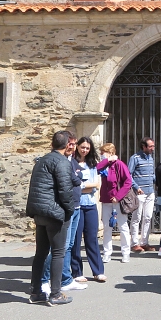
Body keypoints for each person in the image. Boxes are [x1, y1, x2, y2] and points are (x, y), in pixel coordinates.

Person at [26, 131, 75, 306]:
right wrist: (69, 210)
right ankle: (55, 293)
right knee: (58, 252)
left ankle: (36, 291)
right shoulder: (61, 161)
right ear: (67, 144)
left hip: (39, 211)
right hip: (54, 213)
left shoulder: (42, 160)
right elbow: (65, 190)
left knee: (40, 253)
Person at [40, 132, 86, 294]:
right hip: (64, 209)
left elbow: (77, 181)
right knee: (59, 248)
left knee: (69, 246)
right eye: (71, 144)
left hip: (76, 207)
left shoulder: (71, 162)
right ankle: (44, 280)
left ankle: (65, 279)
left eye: (74, 144)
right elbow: (63, 187)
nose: (72, 147)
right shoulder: (56, 161)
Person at [71, 137, 107, 283]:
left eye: (87, 148)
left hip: (91, 205)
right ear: (77, 147)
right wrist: (87, 186)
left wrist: (86, 186)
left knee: (92, 238)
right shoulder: (71, 164)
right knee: (76, 239)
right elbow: (76, 185)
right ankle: (77, 272)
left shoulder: (93, 165)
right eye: (82, 147)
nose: (84, 150)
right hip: (77, 205)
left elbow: (97, 185)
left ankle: (98, 271)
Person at [98, 143, 133, 263]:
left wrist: (118, 196)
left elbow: (128, 181)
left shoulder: (119, 165)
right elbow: (96, 168)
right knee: (107, 227)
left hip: (117, 200)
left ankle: (126, 252)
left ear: (111, 153)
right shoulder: (105, 165)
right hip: (106, 200)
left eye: (104, 153)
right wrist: (107, 160)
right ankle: (107, 253)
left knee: (123, 227)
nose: (101, 155)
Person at [128, 137, 157, 253]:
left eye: (153, 146)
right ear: (143, 146)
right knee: (137, 217)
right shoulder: (135, 158)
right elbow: (129, 175)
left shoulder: (151, 158)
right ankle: (134, 243)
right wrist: (136, 187)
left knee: (148, 217)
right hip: (139, 193)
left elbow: (152, 173)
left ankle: (144, 242)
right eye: (150, 146)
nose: (152, 149)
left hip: (150, 192)